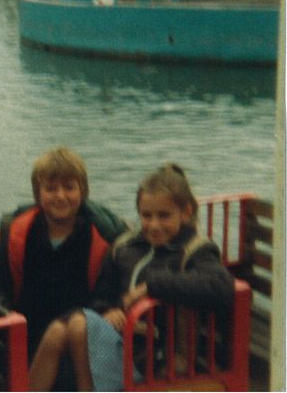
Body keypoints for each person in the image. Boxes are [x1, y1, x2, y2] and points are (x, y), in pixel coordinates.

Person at [28, 164, 235, 391]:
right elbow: (102, 292)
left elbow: (221, 286)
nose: (154, 225)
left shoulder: (195, 251)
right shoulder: (126, 247)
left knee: (79, 326)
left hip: (160, 360)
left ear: (185, 212)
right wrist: (109, 310)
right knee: (58, 331)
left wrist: (150, 287)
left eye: (164, 216)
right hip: (125, 348)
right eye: (146, 216)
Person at [0, 147, 127, 388]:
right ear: (38, 193)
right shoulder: (16, 233)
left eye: (69, 187)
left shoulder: (104, 235)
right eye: (51, 189)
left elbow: (113, 284)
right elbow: (0, 286)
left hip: (82, 335)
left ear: (82, 191)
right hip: (27, 330)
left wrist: (110, 307)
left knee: (66, 333)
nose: (60, 196)